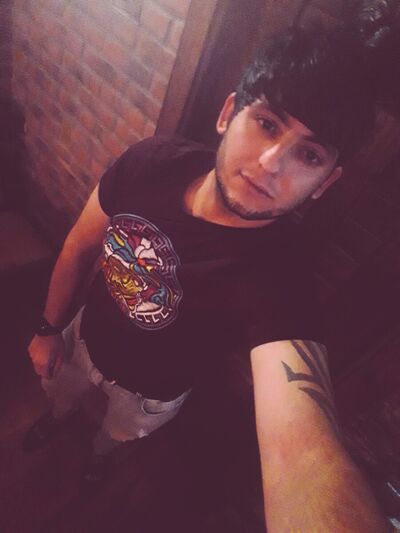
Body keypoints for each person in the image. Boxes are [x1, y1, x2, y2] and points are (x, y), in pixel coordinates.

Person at [24, 23, 391, 532]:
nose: (271, 163)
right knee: (60, 398)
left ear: (323, 182)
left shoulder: (283, 277)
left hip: (151, 395)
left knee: (115, 436)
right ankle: (55, 421)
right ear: (227, 114)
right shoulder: (150, 163)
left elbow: (301, 453)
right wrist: (48, 328)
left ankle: (100, 459)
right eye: (267, 124)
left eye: (308, 155)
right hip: (82, 337)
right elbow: (80, 245)